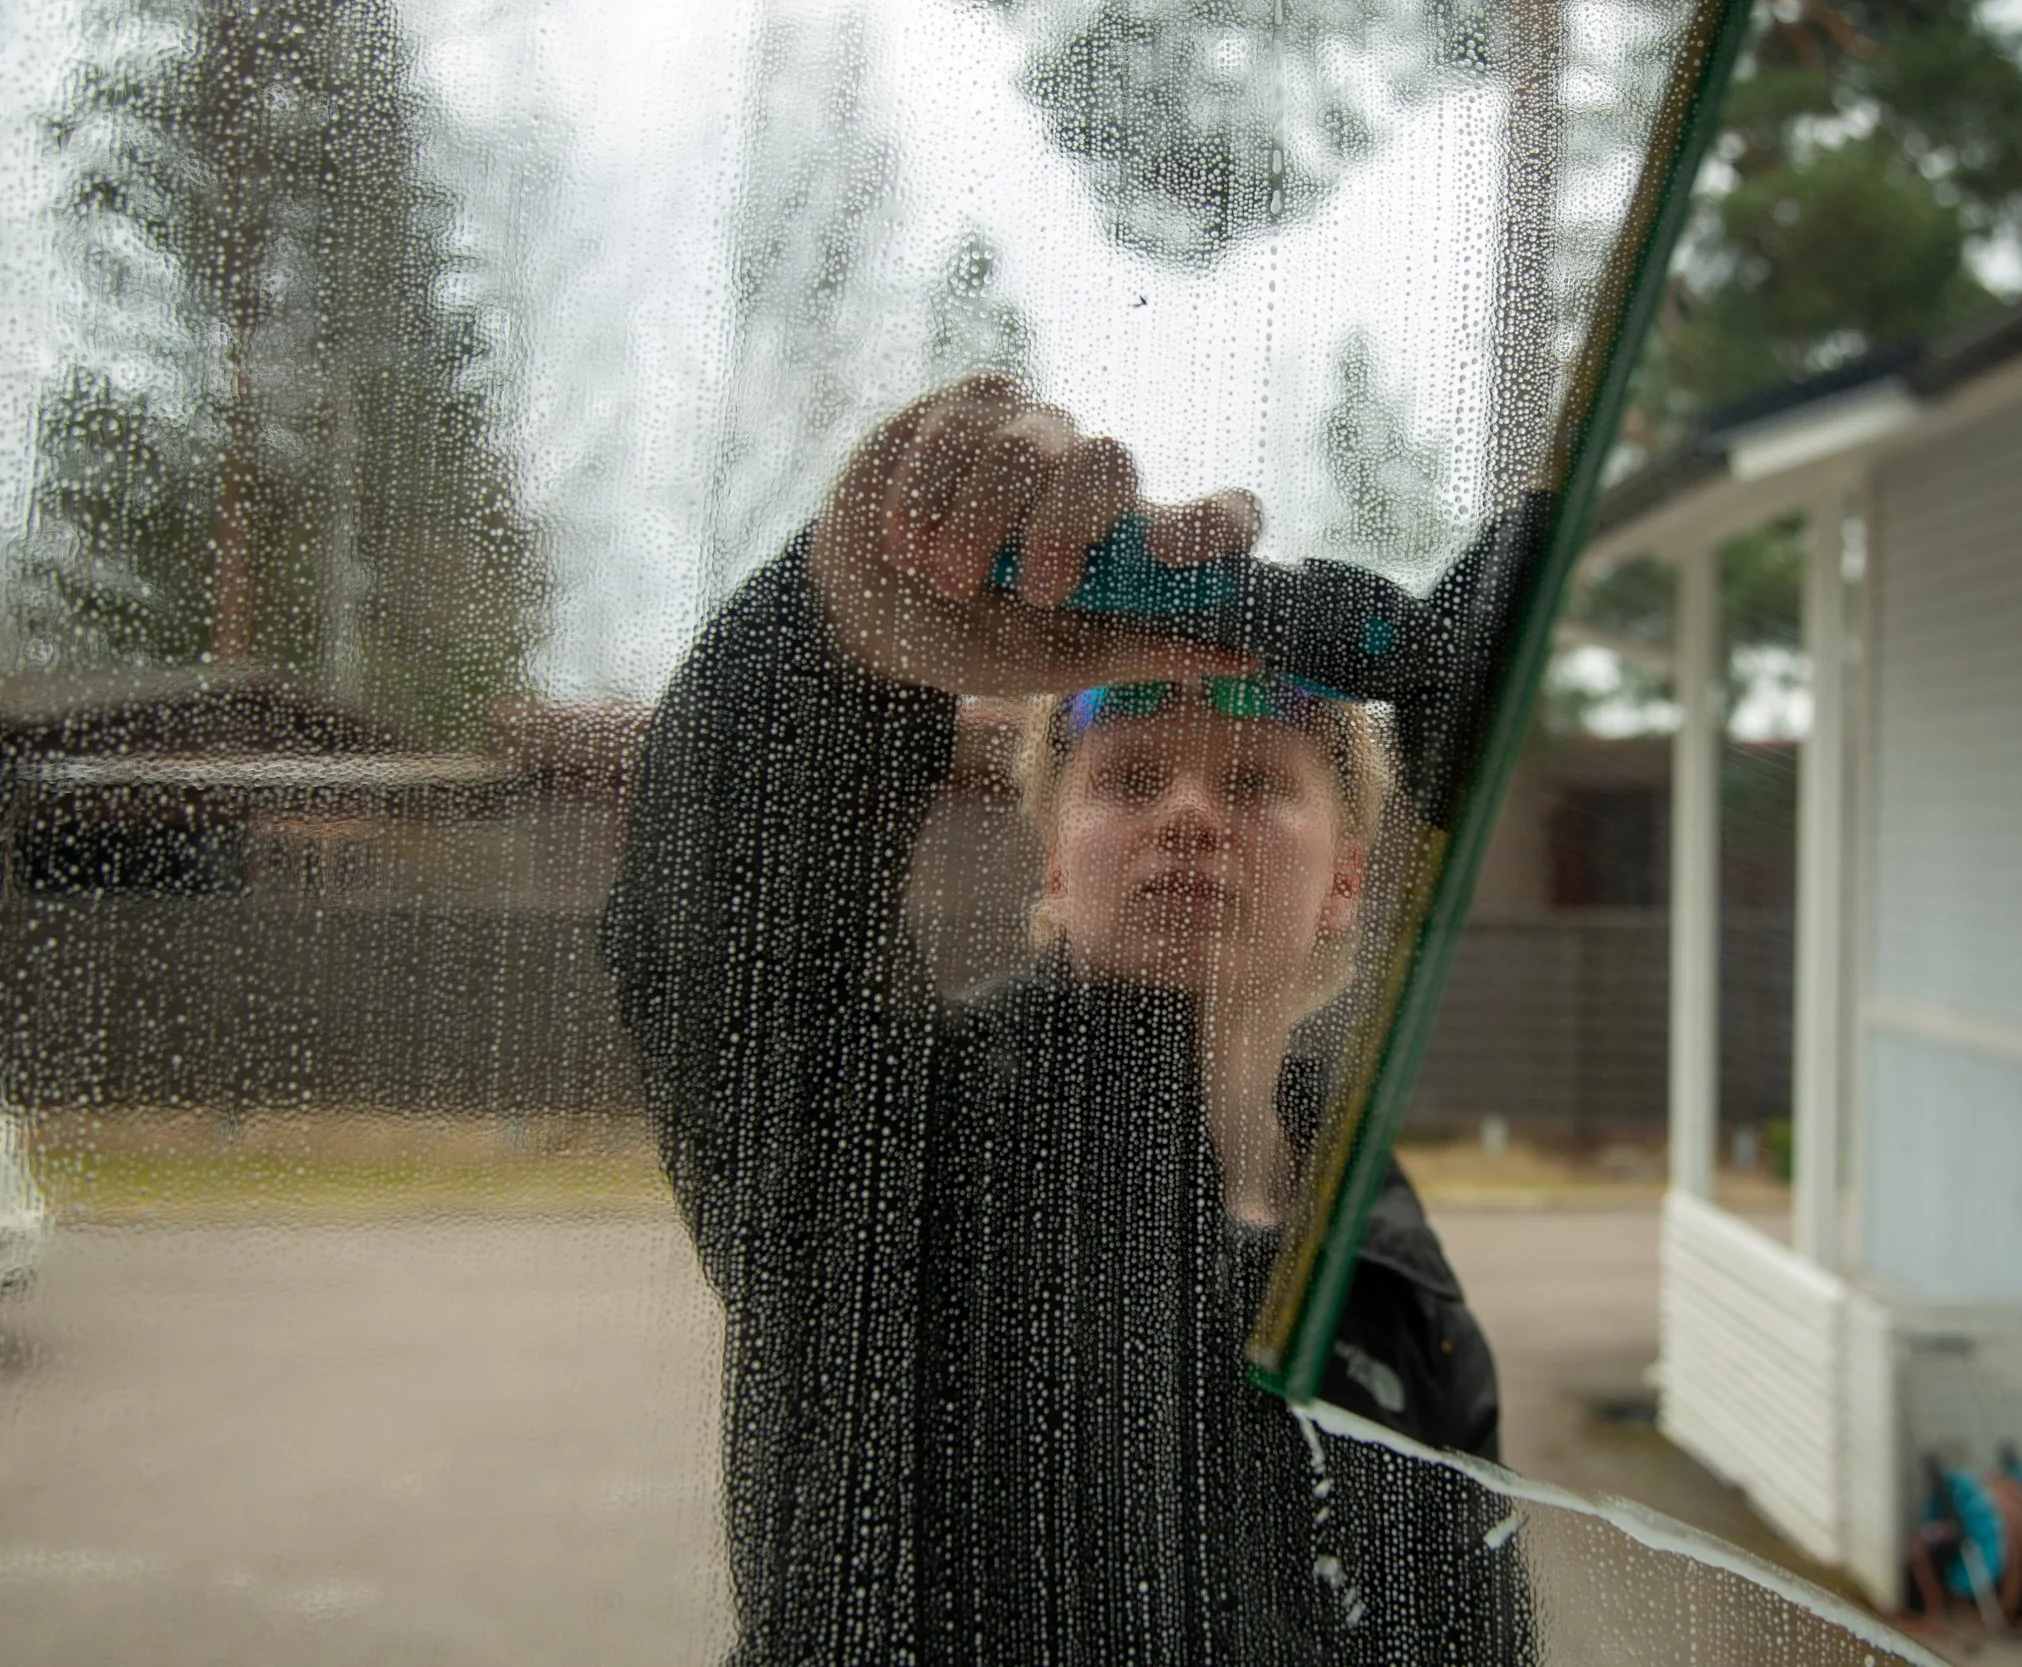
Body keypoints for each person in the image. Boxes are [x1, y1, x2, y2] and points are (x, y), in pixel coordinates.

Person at [603, 375, 1529, 1663]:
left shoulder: (1373, 1220)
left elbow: (1471, 1607)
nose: (1189, 814)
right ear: (1052, 863)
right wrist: (841, 629)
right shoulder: (880, 1141)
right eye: (1130, 779)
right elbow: (718, 932)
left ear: (1345, 882)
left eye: (1255, 784)